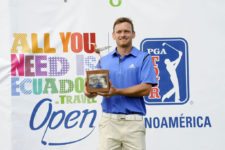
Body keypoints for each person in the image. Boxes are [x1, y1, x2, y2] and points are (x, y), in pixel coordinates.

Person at [85, 17, 157, 150]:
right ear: (113, 35)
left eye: (126, 31)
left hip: (134, 123)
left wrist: (117, 91)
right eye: (118, 32)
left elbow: (146, 89)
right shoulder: (104, 61)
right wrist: (88, 91)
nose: (122, 35)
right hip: (109, 122)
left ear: (133, 34)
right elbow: (92, 93)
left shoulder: (144, 58)